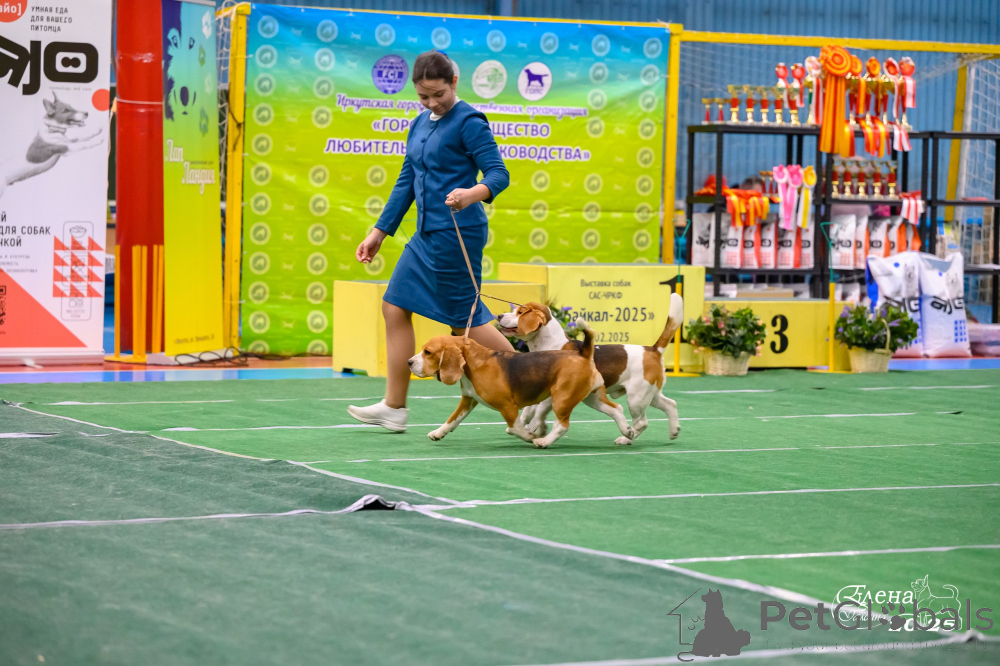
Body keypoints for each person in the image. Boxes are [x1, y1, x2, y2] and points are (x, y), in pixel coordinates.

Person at [348, 51, 513, 433]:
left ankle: (537, 378)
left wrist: (472, 194)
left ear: (454, 82)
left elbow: (498, 174)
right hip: (425, 235)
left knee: (465, 322)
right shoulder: (419, 124)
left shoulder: (470, 121)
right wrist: (378, 232)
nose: (432, 103)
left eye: (438, 94)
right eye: (423, 96)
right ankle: (394, 407)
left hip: (457, 233)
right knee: (394, 306)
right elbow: (406, 181)